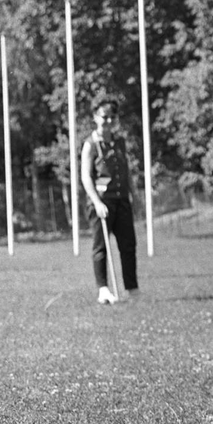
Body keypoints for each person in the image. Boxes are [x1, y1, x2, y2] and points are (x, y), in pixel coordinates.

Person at [81, 98, 139, 305]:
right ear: (96, 117)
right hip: (102, 202)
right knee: (101, 247)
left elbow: (127, 171)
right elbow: (86, 176)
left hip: (121, 199)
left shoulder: (120, 142)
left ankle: (132, 289)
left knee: (128, 245)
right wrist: (96, 202)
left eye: (112, 117)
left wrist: (134, 195)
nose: (108, 121)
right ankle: (103, 289)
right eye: (104, 117)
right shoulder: (91, 145)